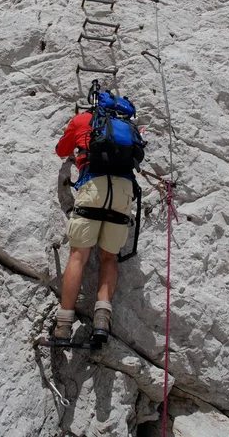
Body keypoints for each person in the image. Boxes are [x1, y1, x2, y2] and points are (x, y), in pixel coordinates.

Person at [54, 109, 134, 344]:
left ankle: (63, 327)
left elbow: (61, 150)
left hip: (93, 186)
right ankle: (101, 323)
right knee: (109, 258)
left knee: (79, 255)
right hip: (122, 192)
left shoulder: (82, 120)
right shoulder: (124, 128)